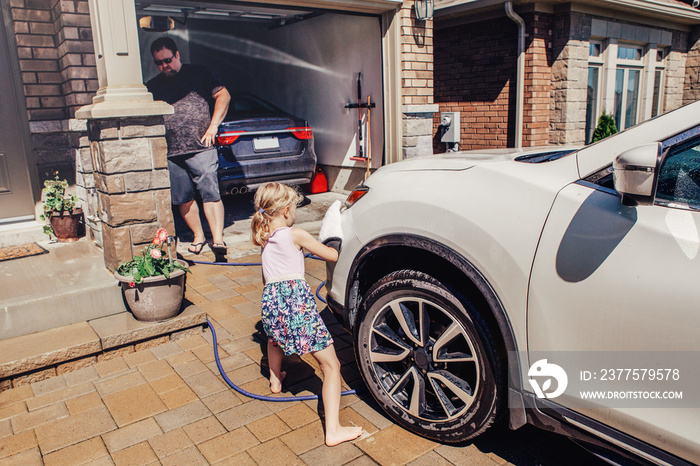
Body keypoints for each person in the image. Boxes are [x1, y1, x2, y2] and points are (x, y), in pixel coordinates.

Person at [251, 182, 363, 447]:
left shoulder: (265, 238)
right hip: (296, 306)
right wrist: (333, 235)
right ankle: (333, 430)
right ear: (287, 209)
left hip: (271, 303)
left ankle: (275, 381)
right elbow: (332, 255)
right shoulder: (296, 234)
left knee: (274, 339)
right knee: (331, 366)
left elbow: (265, 279)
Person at [146, 37, 230, 255]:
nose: (164, 66)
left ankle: (218, 239)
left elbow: (223, 95)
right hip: (171, 152)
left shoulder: (199, 73)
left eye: (167, 60)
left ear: (177, 55)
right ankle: (199, 236)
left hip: (201, 147)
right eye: (159, 62)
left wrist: (213, 127)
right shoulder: (154, 85)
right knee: (183, 198)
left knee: (210, 193)